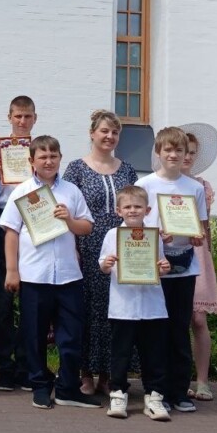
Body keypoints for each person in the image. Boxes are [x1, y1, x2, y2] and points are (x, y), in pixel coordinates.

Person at [0, 136, 98, 410]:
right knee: (34, 335)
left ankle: (68, 388)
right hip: (34, 275)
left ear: (60, 158)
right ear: (31, 161)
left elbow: (87, 227)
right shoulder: (21, 192)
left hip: (68, 275)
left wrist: (69, 219)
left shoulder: (71, 191)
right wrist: (11, 270)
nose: (48, 161)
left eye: (53, 156)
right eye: (42, 156)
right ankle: (40, 386)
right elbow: (11, 232)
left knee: (71, 335)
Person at [63, 109, 138, 396]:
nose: (109, 136)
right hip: (87, 244)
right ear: (92, 133)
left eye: (115, 132)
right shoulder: (76, 168)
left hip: (120, 247)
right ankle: (85, 373)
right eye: (104, 131)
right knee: (86, 309)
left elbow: (135, 205)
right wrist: (73, 247)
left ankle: (110, 374)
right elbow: (68, 209)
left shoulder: (127, 169)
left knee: (116, 310)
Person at [137, 126, 208, 414]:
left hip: (184, 267)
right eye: (168, 149)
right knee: (155, 330)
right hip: (154, 267)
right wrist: (157, 237)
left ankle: (179, 391)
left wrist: (196, 237)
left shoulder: (195, 188)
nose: (174, 155)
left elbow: (201, 228)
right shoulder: (145, 185)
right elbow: (135, 226)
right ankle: (156, 390)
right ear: (158, 152)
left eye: (179, 150)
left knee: (179, 330)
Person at [98, 186, 172, 421]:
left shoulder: (154, 236)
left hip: (152, 307)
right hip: (123, 307)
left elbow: (160, 265)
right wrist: (106, 264)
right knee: (120, 354)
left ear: (147, 210)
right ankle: (118, 394)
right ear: (119, 210)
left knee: (154, 354)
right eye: (128, 206)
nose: (133, 210)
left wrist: (164, 268)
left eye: (138, 206)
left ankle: (154, 396)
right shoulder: (112, 235)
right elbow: (102, 264)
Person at [0, 95, 37, 391]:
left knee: (31, 300)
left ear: (35, 118)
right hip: (2, 220)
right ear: (9, 117)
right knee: (2, 300)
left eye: (27, 116)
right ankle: (5, 366)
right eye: (18, 116)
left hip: (33, 222)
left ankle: (27, 367)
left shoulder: (42, 151)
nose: (22, 121)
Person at [180, 125, 217, 402]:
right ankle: (179, 378)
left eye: (192, 152)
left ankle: (203, 380)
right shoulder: (162, 183)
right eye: (183, 150)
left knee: (198, 318)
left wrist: (208, 252)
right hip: (172, 251)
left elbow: (206, 226)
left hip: (197, 252)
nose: (187, 157)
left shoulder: (202, 186)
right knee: (176, 319)